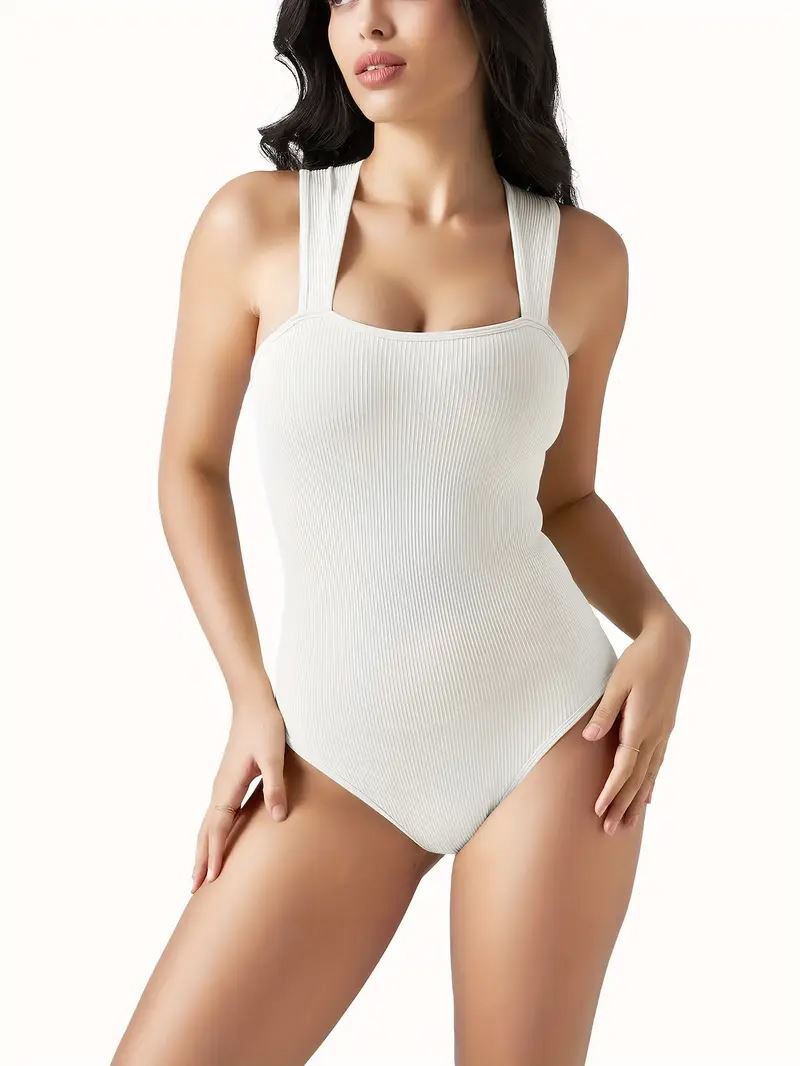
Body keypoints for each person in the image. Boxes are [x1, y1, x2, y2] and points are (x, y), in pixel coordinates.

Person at [112, 0, 691, 1063]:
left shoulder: (582, 259)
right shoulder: (255, 225)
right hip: (332, 754)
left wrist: (661, 627)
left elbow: (564, 499)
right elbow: (188, 469)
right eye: (339, 0)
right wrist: (247, 696)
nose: (366, 22)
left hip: (553, 736)